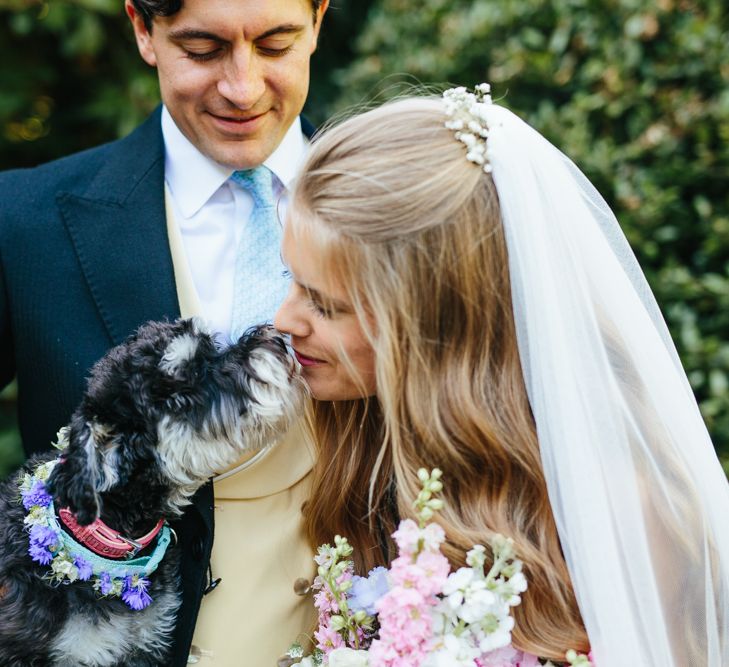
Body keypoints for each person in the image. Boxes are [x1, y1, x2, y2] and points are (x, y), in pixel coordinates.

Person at [273, 86, 729, 665]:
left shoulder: (621, 507)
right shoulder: (354, 438)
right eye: (288, 279)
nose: (284, 320)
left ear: (436, 325)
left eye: (326, 305)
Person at [0, 0, 329, 663]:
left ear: (319, 18)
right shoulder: (21, 222)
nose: (241, 87)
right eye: (203, 49)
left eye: (274, 45)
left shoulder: (406, 216)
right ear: (142, 28)